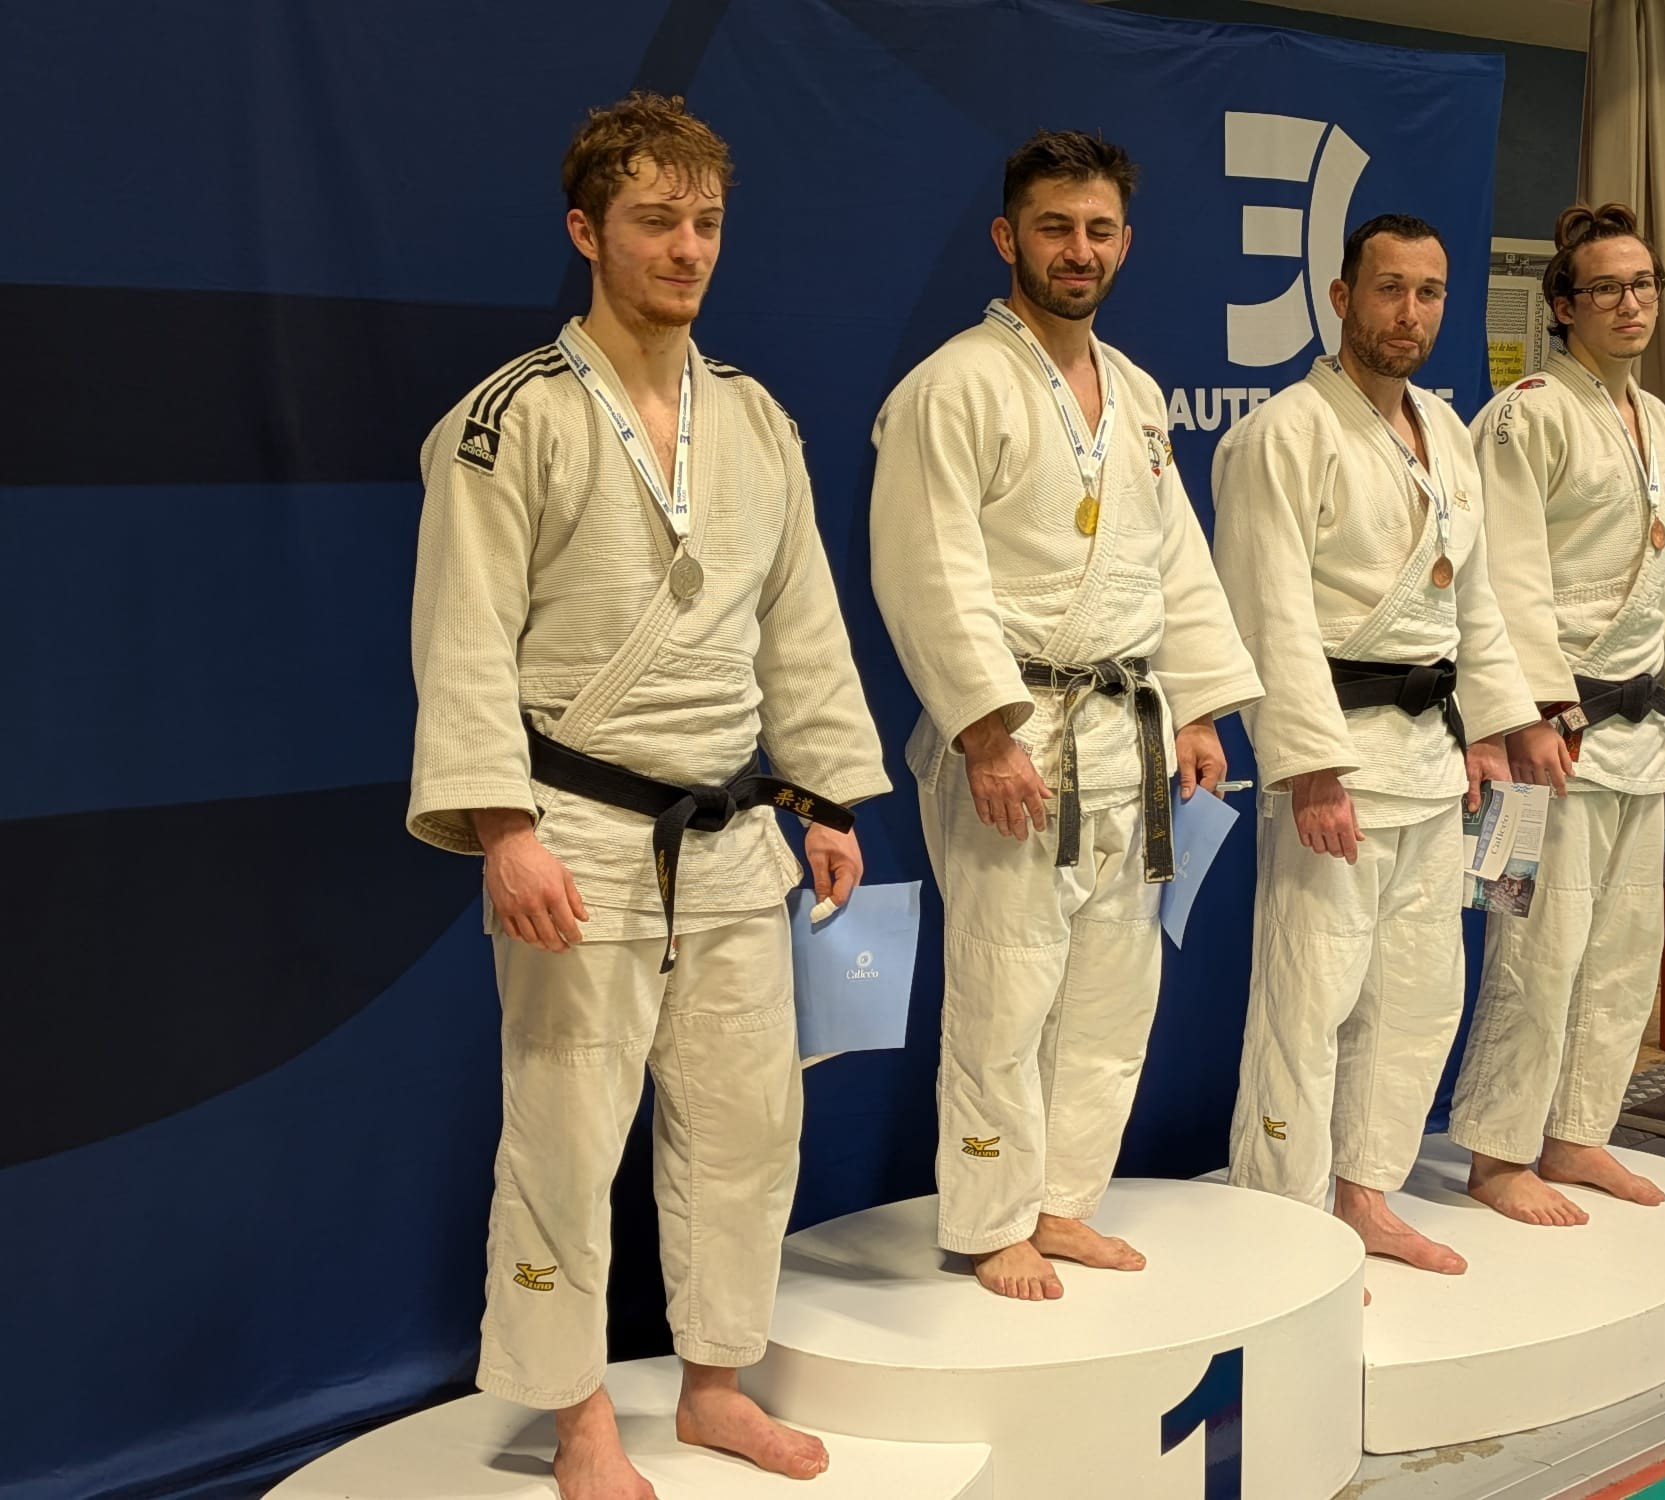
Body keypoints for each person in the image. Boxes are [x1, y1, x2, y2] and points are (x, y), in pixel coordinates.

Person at [407, 92, 890, 1497]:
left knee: (746, 1126)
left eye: (705, 223)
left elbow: (800, 619)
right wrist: (502, 827)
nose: (686, 249)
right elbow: (462, 635)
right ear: (586, 231)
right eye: (654, 220)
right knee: (565, 1135)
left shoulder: (756, 420)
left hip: (734, 834)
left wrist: (825, 797)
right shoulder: (511, 420)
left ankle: (717, 1384)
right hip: (578, 829)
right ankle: (576, 1420)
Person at [870, 130, 1261, 1302]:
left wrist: (1197, 710)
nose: (1076, 249)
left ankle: (1062, 1202)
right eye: (1053, 227)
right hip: (1017, 730)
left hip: (1125, 725)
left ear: (1124, 244)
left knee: (1111, 987)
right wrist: (984, 731)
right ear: (1008, 238)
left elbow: (1170, 559)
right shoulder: (951, 385)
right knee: (1004, 985)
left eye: (1096, 230)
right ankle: (990, 1219)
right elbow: (923, 570)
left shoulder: (1136, 393)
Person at [1212, 214, 1536, 1274]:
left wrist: (1490, 730)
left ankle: (1365, 1195)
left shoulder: (1445, 430)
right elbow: (1265, 611)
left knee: (1417, 995)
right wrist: (1308, 767)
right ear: (1342, 297)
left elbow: (1474, 599)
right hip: (1338, 761)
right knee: (1308, 1000)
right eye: (1390, 289)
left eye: (1429, 293)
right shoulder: (1282, 432)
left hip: (1429, 757)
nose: (1410, 312)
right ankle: (1282, 1219)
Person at [1448, 203, 1665, 1226]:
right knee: (1539, 950)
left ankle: (1576, 1135)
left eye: (1643, 284)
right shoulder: (1525, 415)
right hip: (1558, 730)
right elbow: (1503, 578)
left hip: (1639, 726)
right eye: (1606, 288)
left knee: (1622, 951)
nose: (1630, 303)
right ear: (1564, 306)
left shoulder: (1656, 420)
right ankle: (1497, 1153)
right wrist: (1528, 714)